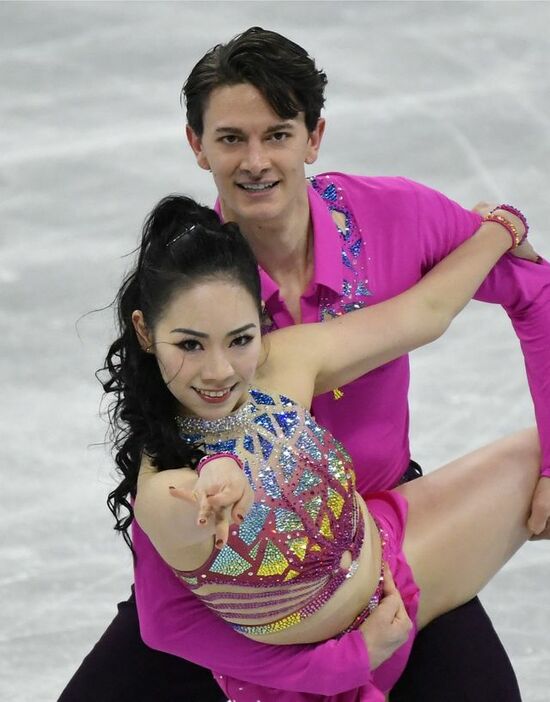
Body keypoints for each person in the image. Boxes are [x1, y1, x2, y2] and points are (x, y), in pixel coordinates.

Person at [59, 27, 550, 702]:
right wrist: (338, 663)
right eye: (231, 137)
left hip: (385, 545)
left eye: (278, 134)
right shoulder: (197, 324)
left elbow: (465, 303)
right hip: (253, 605)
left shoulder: (357, 266)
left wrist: (501, 227)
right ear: (197, 145)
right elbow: (167, 609)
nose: (256, 161)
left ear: (313, 137)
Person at [106, 192, 538, 702]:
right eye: (191, 345)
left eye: (240, 339)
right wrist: (347, 660)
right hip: (306, 682)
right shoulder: (164, 487)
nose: (219, 371)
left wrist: (500, 229)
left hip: (396, 563)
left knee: (540, 456)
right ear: (146, 332)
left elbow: (425, 312)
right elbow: (196, 505)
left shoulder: (284, 362)